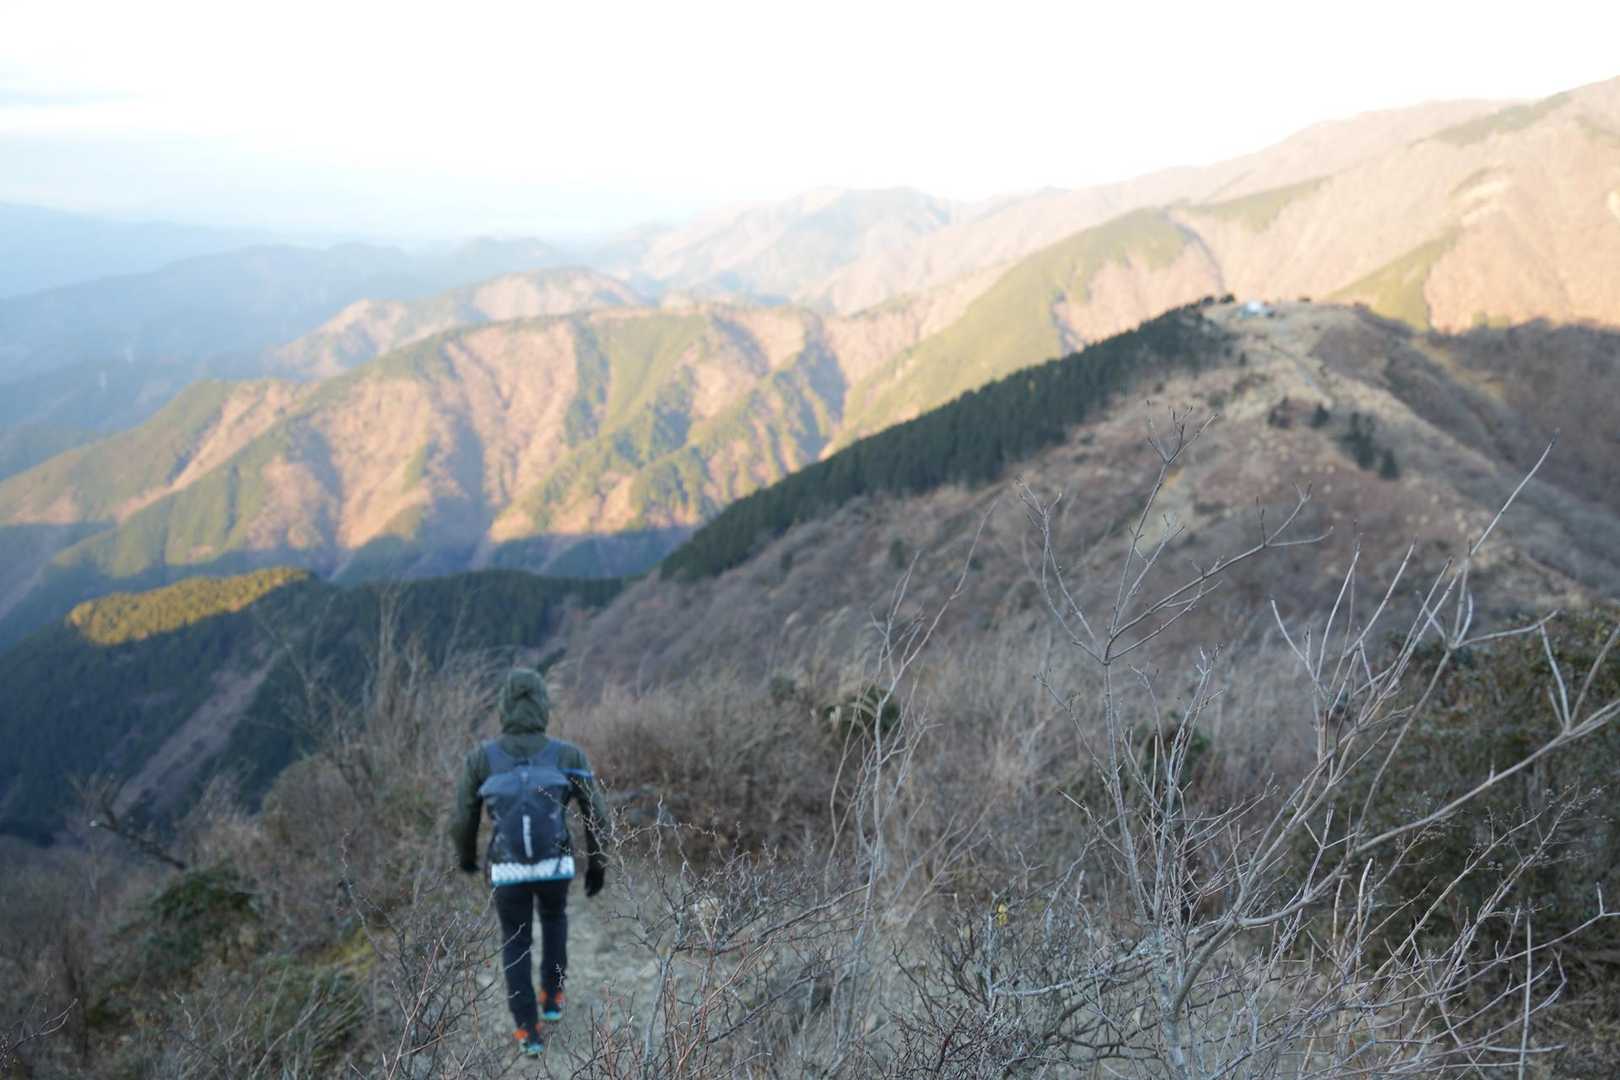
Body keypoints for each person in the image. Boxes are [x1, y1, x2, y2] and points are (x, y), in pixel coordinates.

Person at [451, 667, 609, 1057]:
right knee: (554, 922)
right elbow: (597, 813)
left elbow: (463, 815)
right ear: (543, 704)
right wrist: (598, 864)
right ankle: (552, 998)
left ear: (503, 706)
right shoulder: (568, 754)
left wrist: (467, 858)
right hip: (555, 866)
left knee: (515, 939)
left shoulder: (481, 758)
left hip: (507, 870)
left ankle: (527, 1029)